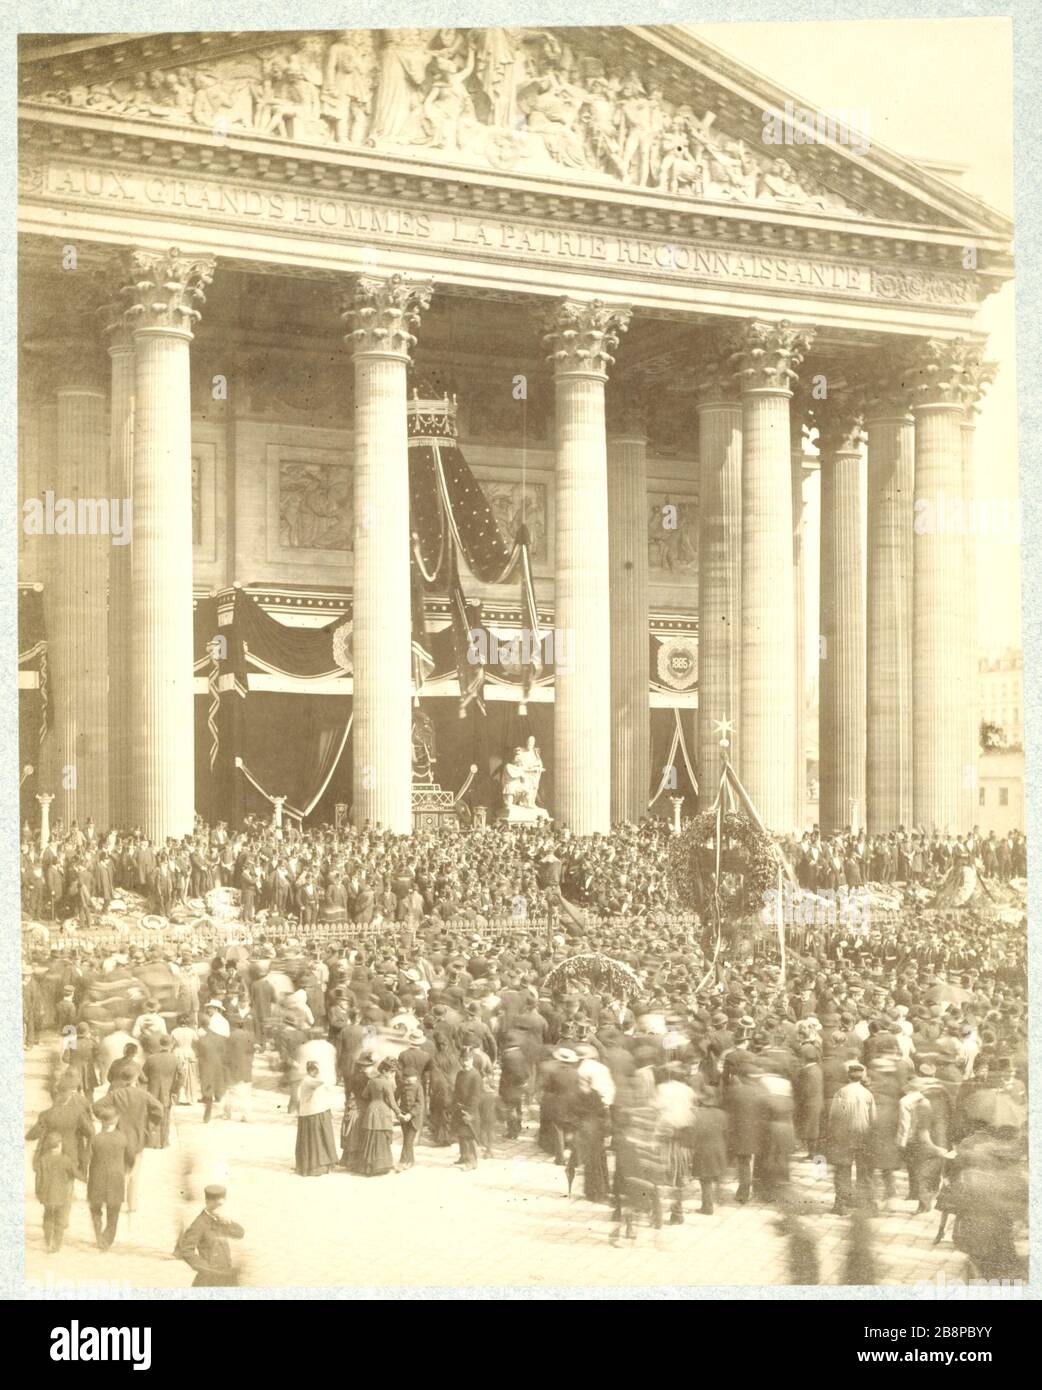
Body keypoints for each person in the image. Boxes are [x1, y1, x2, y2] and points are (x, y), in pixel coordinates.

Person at [827, 1060, 878, 1215]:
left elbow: (833, 1117)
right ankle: (866, 1203)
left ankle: (842, 1204)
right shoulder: (868, 1094)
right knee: (864, 1171)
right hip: (863, 1135)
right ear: (861, 1077)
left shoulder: (841, 1092)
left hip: (844, 1136)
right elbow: (873, 1119)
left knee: (843, 1170)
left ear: (848, 1076)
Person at [175, 1185, 245, 1286]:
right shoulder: (199, 1223)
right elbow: (186, 1250)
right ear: (208, 1202)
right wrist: (205, 1268)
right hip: (209, 1279)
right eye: (217, 1205)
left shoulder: (221, 1220)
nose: (220, 1208)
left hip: (226, 1274)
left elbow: (240, 1234)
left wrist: (229, 1223)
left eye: (221, 1205)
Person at [86, 1105, 128, 1251]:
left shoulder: (95, 1139)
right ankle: (107, 1238)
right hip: (116, 1178)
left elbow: (87, 1158)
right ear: (116, 1120)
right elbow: (130, 1158)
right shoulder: (122, 1138)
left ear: (101, 1121)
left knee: (95, 1208)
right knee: (114, 1210)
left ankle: (99, 1236)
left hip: (97, 1178)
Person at [360, 1057, 408, 1176]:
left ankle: (369, 1166)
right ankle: (381, 1166)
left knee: (371, 1137)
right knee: (381, 1138)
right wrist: (399, 1113)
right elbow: (392, 1102)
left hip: (371, 1110)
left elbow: (364, 1095)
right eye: (391, 1072)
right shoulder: (386, 1083)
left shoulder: (372, 1081)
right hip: (383, 1111)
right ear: (384, 1071)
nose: (392, 1075)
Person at [34, 1131, 77, 1254]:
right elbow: (74, 1173)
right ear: (59, 1144)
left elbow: (38, 1179)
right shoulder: (65, 1159)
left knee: (47, 1216)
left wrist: (38, 1193)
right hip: (61, 1195)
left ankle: (48, 1240)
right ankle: (56, 1245)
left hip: (47, 1194)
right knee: (59, 1219)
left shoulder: (43, 1159)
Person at [295, 1060, 339, 1176]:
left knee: (315, 1139)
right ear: (313, 1071)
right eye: (317, 1071)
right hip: (313, 1113)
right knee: (318, 1139)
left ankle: (318, 1165)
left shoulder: (307, 1080)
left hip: (311, 1112)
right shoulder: (309, 1081)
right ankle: (317, 1166)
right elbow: (325, 1083)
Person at [453, 1047, 483, 1172]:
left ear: (472, 1060)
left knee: (468, 1136)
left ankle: (472, 1161)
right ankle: (463, 1156)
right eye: (463, 1060)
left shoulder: (475, 1076)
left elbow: (476, 1097)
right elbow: (456, 1090)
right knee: (461, 1135)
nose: (465, 1062)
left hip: (470, 1111)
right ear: (460, 1060)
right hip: (459, 1108)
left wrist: (469, 1113)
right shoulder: (460, 1073)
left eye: (468, 1060)